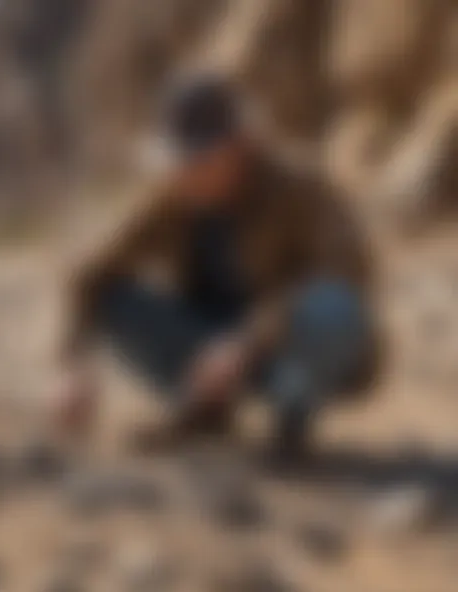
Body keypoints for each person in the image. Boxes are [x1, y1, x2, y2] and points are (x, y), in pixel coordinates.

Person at [53, 76, 382, 456]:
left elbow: (348, 273)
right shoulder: (172, 195)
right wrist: (73, 367)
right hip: (209, 353)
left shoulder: (298, 186)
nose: (190, 170)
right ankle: (205, 413)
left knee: (333, 304)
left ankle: (292, 417)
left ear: (239, 146)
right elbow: (90, 271)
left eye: (202, 157)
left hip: (282, 348)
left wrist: (247, 341)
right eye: (182, 159)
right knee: (113, 298)